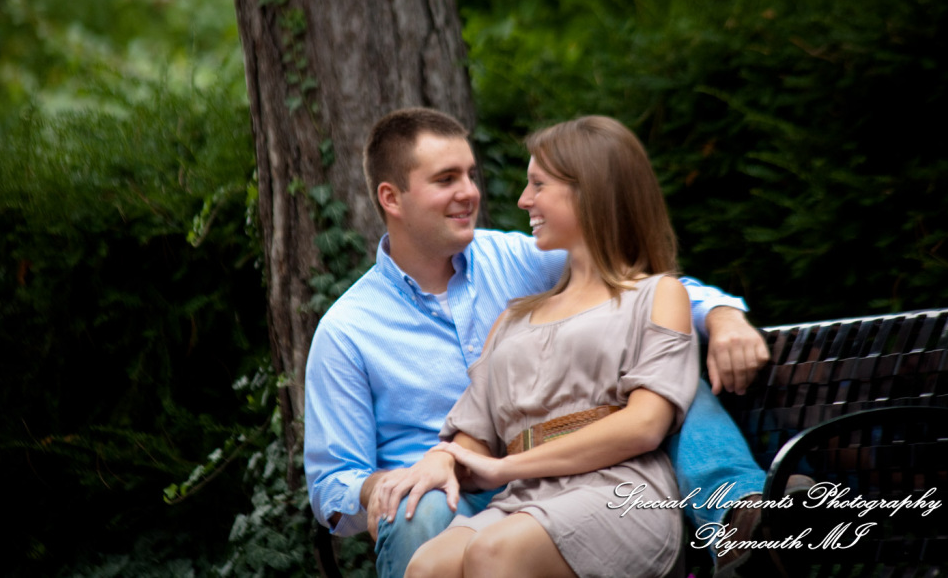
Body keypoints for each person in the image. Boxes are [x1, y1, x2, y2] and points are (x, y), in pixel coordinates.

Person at [304, 108, 771, 578]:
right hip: (453, 488)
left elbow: (637, 287)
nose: (470, 192)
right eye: (446, 179)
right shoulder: (348, 329)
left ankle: (739, 505)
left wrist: (722, 314)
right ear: (392, 197)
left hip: (580, 472)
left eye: (470, 174)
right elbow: (331, 486)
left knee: (673, 367)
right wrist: (403, 478)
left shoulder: (522, 260)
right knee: (418, 509)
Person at [405, 115, 697, 577]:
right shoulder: (515, 317)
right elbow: (474, 432)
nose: (524, 201)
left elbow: (645, 425)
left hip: (619, 492)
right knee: (428, 566)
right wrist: (445, 457)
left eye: (538, 184)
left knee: (496, 552)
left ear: (591, 191)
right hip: (527, 498)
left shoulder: (656, 296)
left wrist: (506, 468)